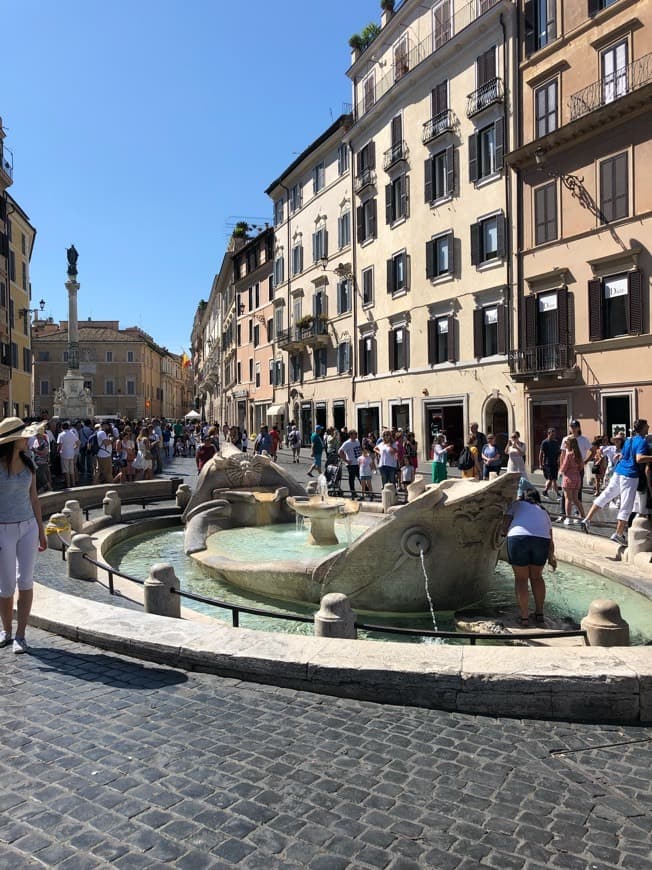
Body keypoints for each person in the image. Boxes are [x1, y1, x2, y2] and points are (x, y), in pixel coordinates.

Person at [0, 417, 48, 654]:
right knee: (6, 585)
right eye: (25, 435)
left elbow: (34, 499)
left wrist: (41, 531)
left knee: (25, 580)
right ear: (14, 440)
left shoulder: (29, 463)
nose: (29, 437)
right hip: (3, 528)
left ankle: (21, 635)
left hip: (28, 526)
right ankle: (6, 631)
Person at [581, 419, 652, 545]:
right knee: (626, 505)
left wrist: (620, 456)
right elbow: (639, 458)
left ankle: (587, 519)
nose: (649, 427)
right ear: (642, 428)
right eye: (647, 426)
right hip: (630, 476)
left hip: (618, 472)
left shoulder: (629, 440)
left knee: (606, 495)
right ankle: (618, 534)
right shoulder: (642, 441)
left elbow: (623, 455)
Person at [502, 489, 555, 627]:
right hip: (541, 541)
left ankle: (524, 617)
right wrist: (551, 557)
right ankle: (539, 613)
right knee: (537, 577)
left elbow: (504, 527)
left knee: (521, 579)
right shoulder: (544, 511)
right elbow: (550, 538)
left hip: (518, 538)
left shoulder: (516, 505)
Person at [560, 435, 585, 525]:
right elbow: (582, 466)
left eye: (566, 443)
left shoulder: (569, 454)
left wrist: (561, 470)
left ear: (570, 444)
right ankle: (583, 516)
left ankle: (569, 518)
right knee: (576, 499)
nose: (565, 445)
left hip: (568, 478)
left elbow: (564, 467)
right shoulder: (579, 454)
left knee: (568, 499)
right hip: (577, 477)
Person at [339, 429, 362, 499]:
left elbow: (359, 451)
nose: (356, 435)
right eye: (355, 434)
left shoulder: (357, 441)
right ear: (351, 435)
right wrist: (346, 460)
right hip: (351, 464)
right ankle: (353, 492)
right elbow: (340, 451)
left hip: (358, 463)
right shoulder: (347, 443)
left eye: (356, 434)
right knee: (352, 478)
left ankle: (366, 491)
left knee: (361, 477)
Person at [539, 428, 561, 500]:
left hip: (555, 463)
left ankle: (555, 493)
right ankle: (547, 492)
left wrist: (559, 461)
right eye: (552, 434)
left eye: (555, 434)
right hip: (547, 463)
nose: (554, 435)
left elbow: (559, 453)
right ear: (548, 434)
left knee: (554, 479)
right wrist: (540, 463)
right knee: (551, 479)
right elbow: (541, 453)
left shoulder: (555, 442)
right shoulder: (544, 442)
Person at [57, 420, 79, 489]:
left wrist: (58, 451)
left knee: (66, 470)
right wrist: (73, 448)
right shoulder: (72, 433)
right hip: (71, 453)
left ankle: (68, 484)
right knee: (71, 469)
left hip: (64, 453)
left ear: (62, 427)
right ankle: (73, 483)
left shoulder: (61, 435)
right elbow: (78, 443)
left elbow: (59, 445)